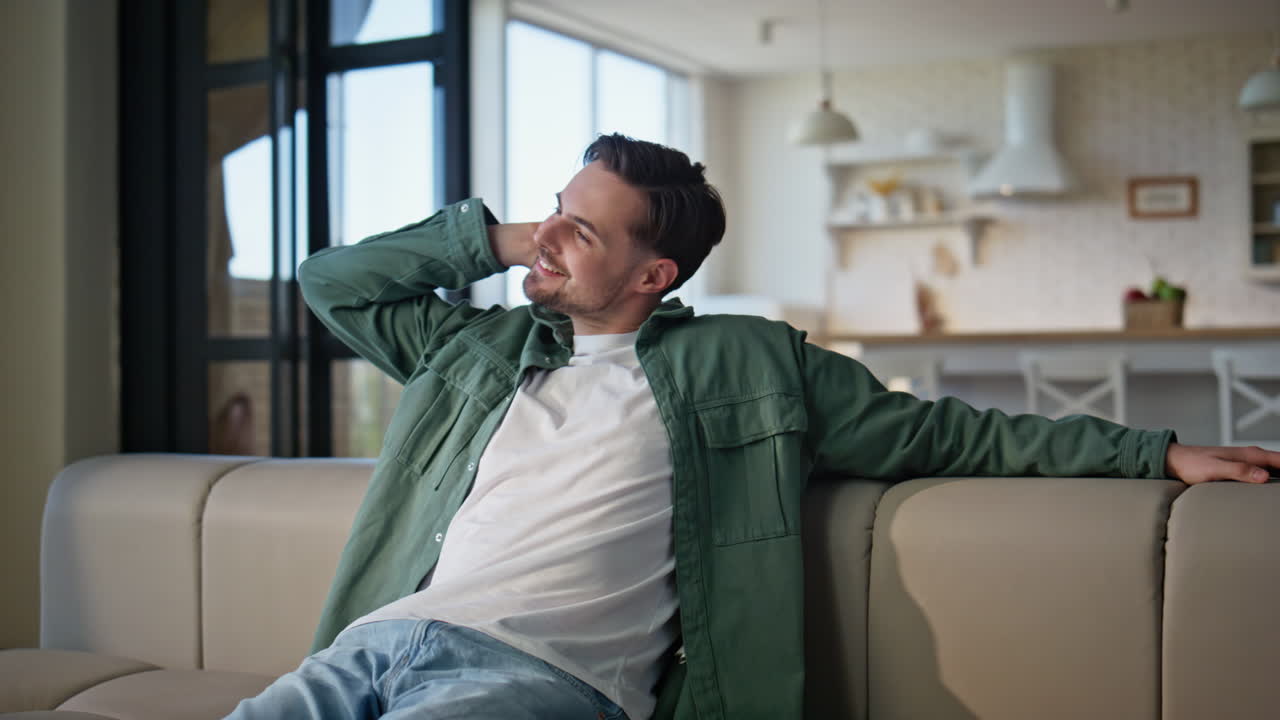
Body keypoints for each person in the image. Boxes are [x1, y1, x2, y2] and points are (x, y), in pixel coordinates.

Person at [227, 133, 1279, 720]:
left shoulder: (749, 365)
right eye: (551, 209)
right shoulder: (479, 351)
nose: (548, 238)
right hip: (370, 647)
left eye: (577, 231)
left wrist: (1153, 452)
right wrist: (511, 236)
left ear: (652, 276)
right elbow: (333, 283)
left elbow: (954, 437)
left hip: (535, 682)